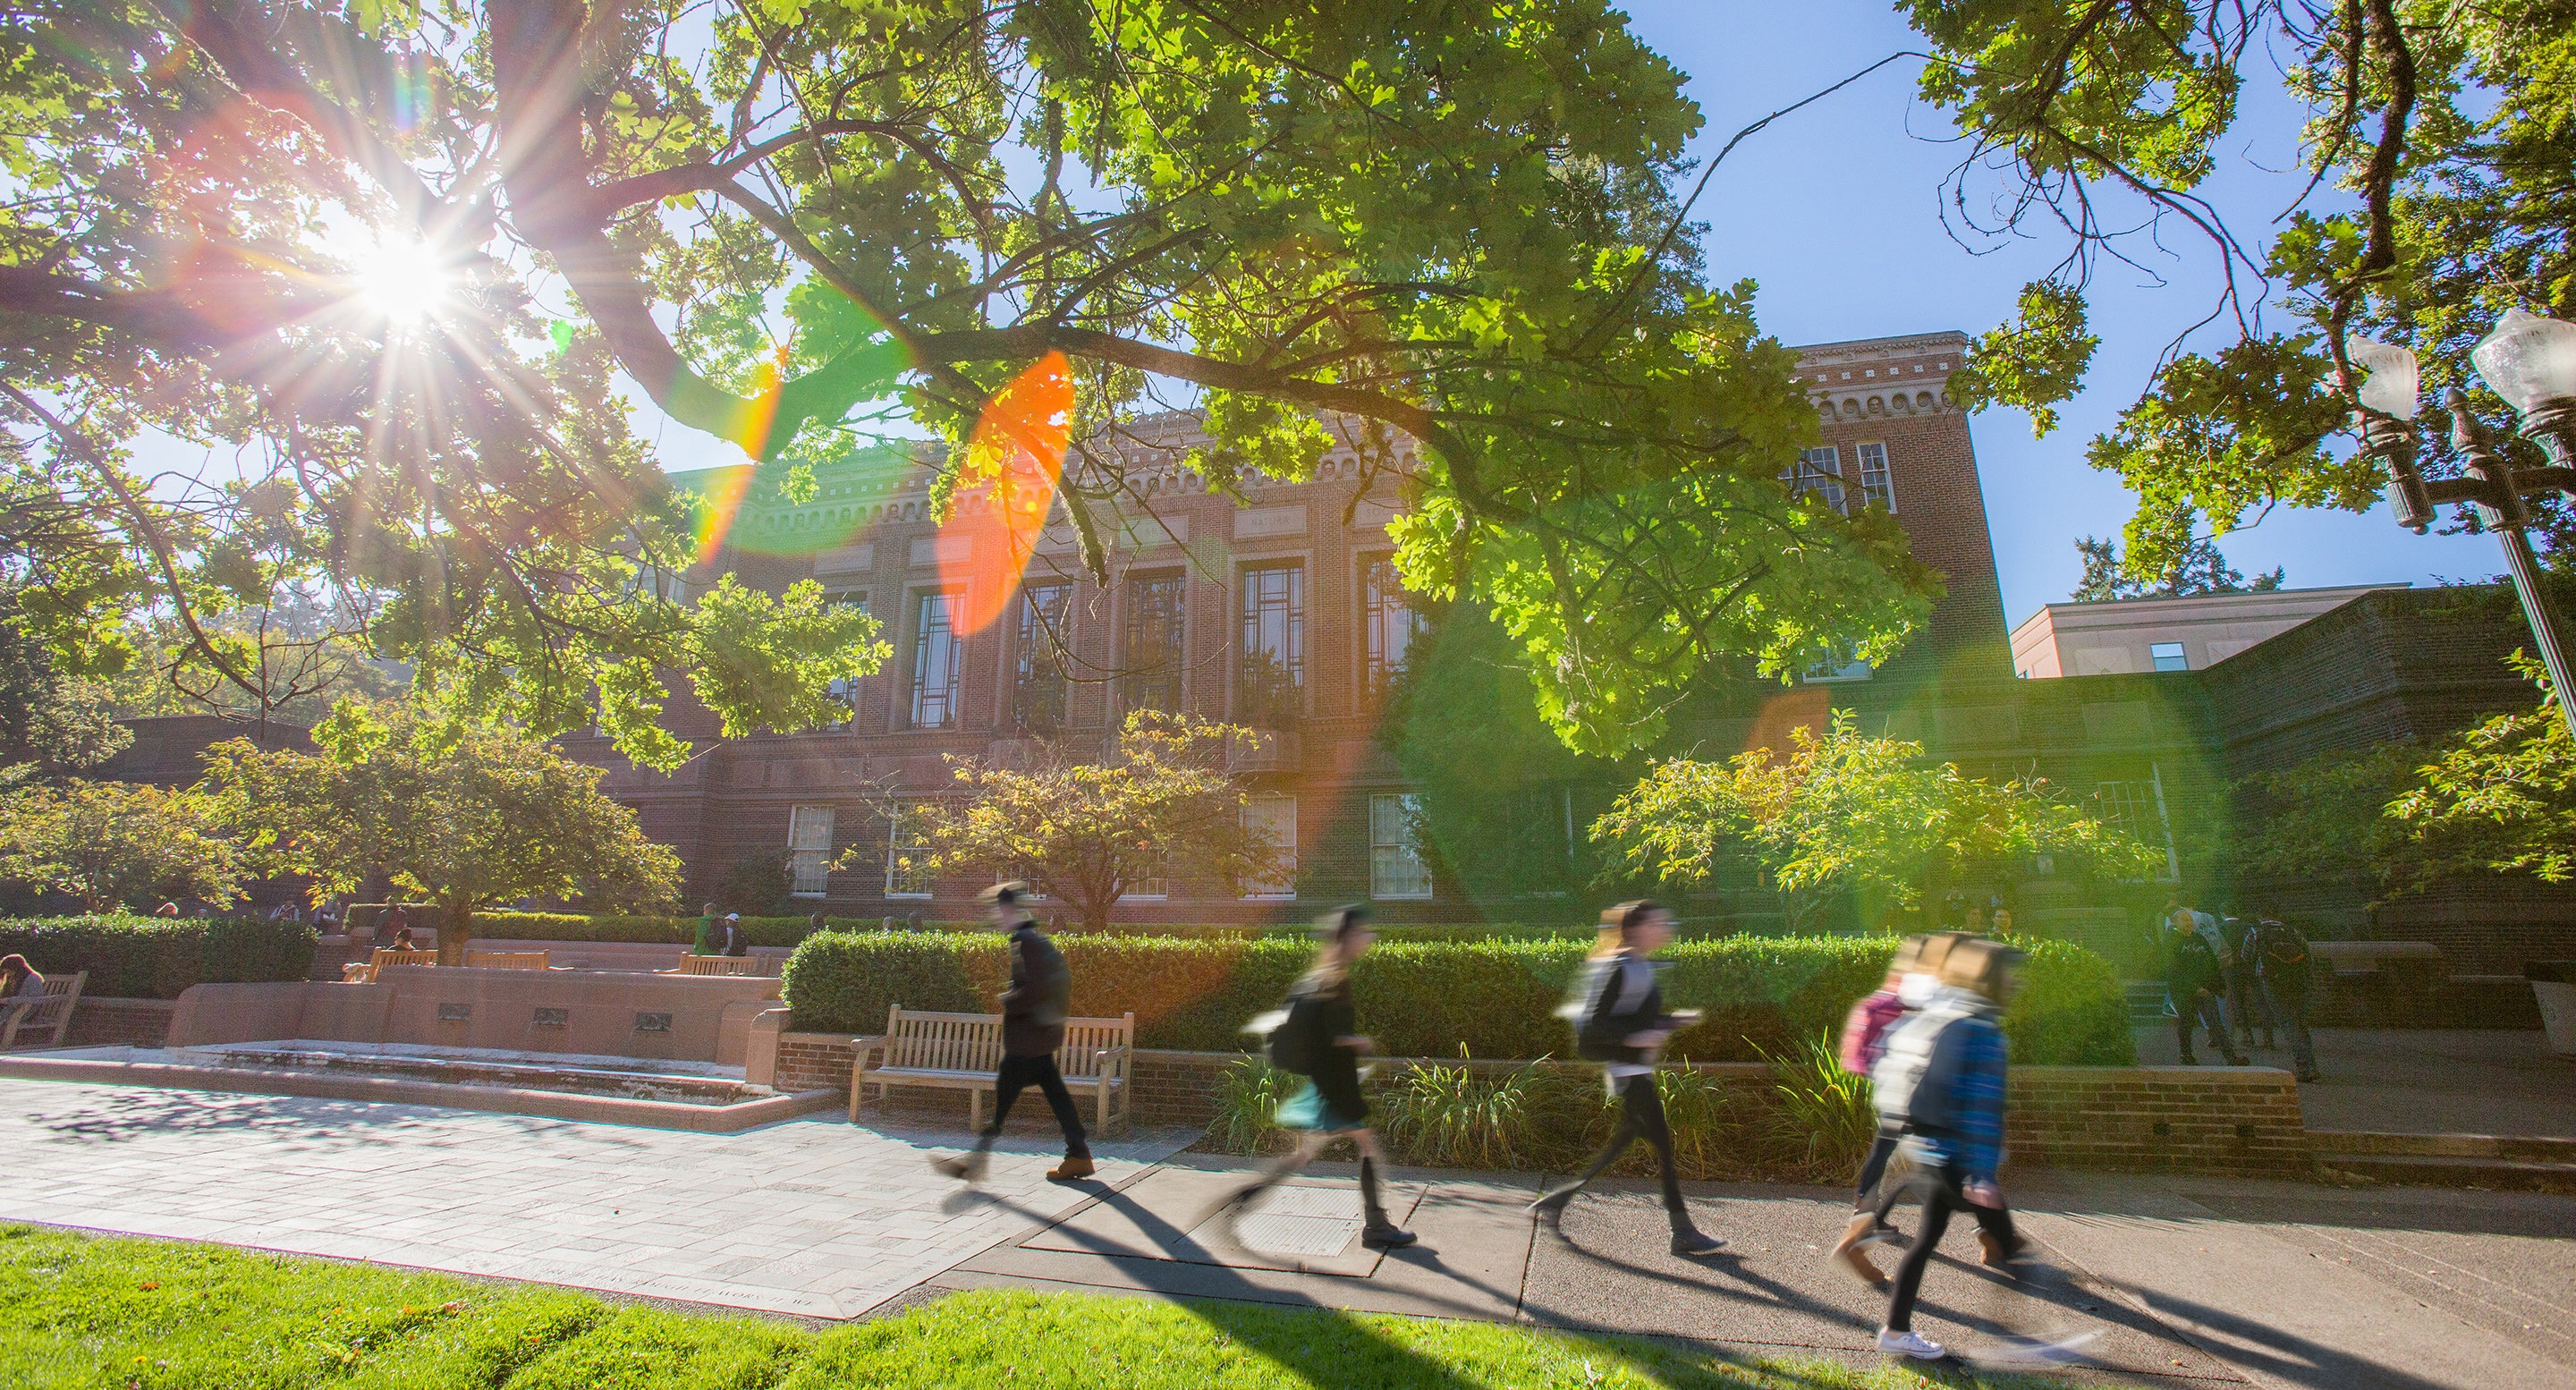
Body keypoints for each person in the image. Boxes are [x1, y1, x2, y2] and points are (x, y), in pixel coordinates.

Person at [1528, 900, 1726, 1258]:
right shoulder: (1622, 966)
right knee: (1663, 1146)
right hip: (1629, 1073)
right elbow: (1593, 1026)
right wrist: (1634, 1038)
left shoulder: (1638, 965)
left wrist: (1668, 1022)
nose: (1665, 928)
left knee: (1622, 1144)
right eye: (1657, 923)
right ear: (1636, 929)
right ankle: (1682, 1231)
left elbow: (1633, 1017)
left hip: (1636, 1072)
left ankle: (1558, 1203)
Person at [1210, 906, 1416, 1250]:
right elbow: (1334, 1035)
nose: (1369, 938)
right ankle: (1376, 1225)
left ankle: (1244, 1199)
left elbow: (1320, 1034)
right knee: (1367, 1145)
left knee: (1304, 1154)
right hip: (1336, 1086)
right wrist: (1361, 1042)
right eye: (1363, 933)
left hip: (1327, 1082)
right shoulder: (1335, 977)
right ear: (1348, 937)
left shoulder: (1324, 975)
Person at [1870, 937, 2026, 1360]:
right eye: (2011, 974)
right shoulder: (1982, 1030)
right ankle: (2017, 1346)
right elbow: (1979, 1105)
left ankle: (1897, 1330)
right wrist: (1980, 1174)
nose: (2016, 982)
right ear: (1993, 979)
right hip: (1958, 1160)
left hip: (1935, 1149)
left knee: (1927, 1242)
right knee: (2014, 1252)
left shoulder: (1951, 1016)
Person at [1829, 931, 1968, 1284]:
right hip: (1916, 1093)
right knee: (1934, 1168)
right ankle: (1860, 1236)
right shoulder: (1927, 988)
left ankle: (1862, 1226)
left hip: (1900, 1090)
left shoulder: (1910, 985)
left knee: (1894, 1158)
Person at [932, 883, 1094, 1184]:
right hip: (1038, 1039)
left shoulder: (1024, 942)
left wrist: (1008, 999)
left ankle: (975, 1164)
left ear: (1007, 910)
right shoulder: (1033, 940)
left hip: (1027, 1042)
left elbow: (1032, 990)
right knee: (1052, 1096)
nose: (995, 917)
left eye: (997, 910)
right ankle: (1078, 1154)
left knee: (1004, 1103)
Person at [2163, 907, 2241, 1065]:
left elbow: (2212, 962)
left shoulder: (2199, 939)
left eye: (2190, 920)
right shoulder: (2171, 942)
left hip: (2205, 989)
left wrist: (2218, 985)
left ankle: (2231, 1057)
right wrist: (2194, 988)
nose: (2189, 923)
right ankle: (2186, 1055)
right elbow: (2174, 970)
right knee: (2186, 1022)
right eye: (2184, 920)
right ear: (2175, 923)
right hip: (2183, 991)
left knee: (2215, 1022)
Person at [2252, 912, 2321, 1082]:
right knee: (2300, 1024)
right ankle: (2311, 1066)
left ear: (2260, 916)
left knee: (2289, 1023)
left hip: (2273, 982)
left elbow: (2246, 956)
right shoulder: (2293, 932)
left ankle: (2303, 1067)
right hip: (2298, 982)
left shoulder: (2257, 932)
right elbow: (2309, 957)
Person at [2221, 912, 2271, 1050]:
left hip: (2232, 969)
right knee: (2260, 1002)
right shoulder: (2249, 927)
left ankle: (2248, 1035)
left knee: (2238, 1003)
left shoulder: (2221, 928)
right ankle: (2268, 1037)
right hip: (2250, 968)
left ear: (2222, 912)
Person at [0, 954, 46, 1037]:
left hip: (22, 1012)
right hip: (13, 1010)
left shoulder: (33, 979)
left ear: (17, 969)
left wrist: (9, 1000)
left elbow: (35, 999)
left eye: (9, 972)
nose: (8, 975)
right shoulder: (16, 979)